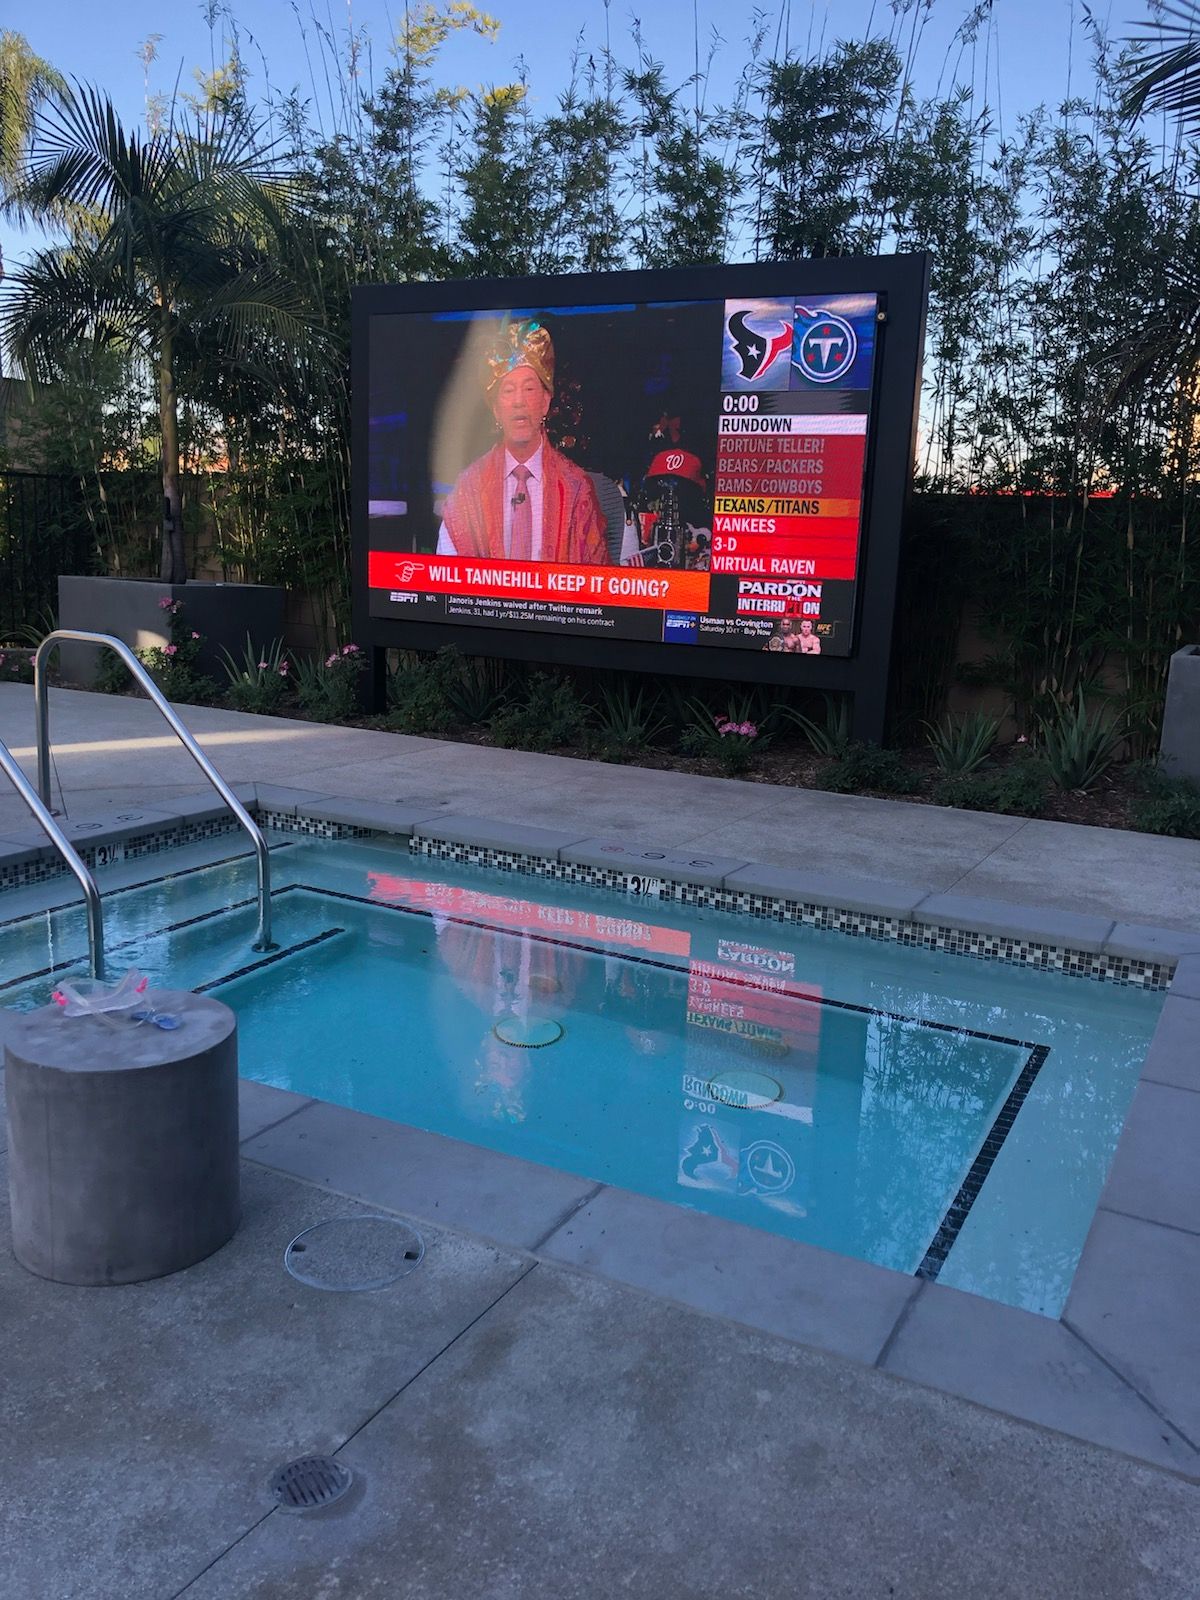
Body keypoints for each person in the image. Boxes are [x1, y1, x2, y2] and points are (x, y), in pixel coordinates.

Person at [436, 319, 608, 564]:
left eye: (529, 389)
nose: (519, 402)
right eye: (508, 391)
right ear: (496, 409)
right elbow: (447, 572)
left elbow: (595, 578)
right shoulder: (469, 488)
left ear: (545, 402)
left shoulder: (576, 488)